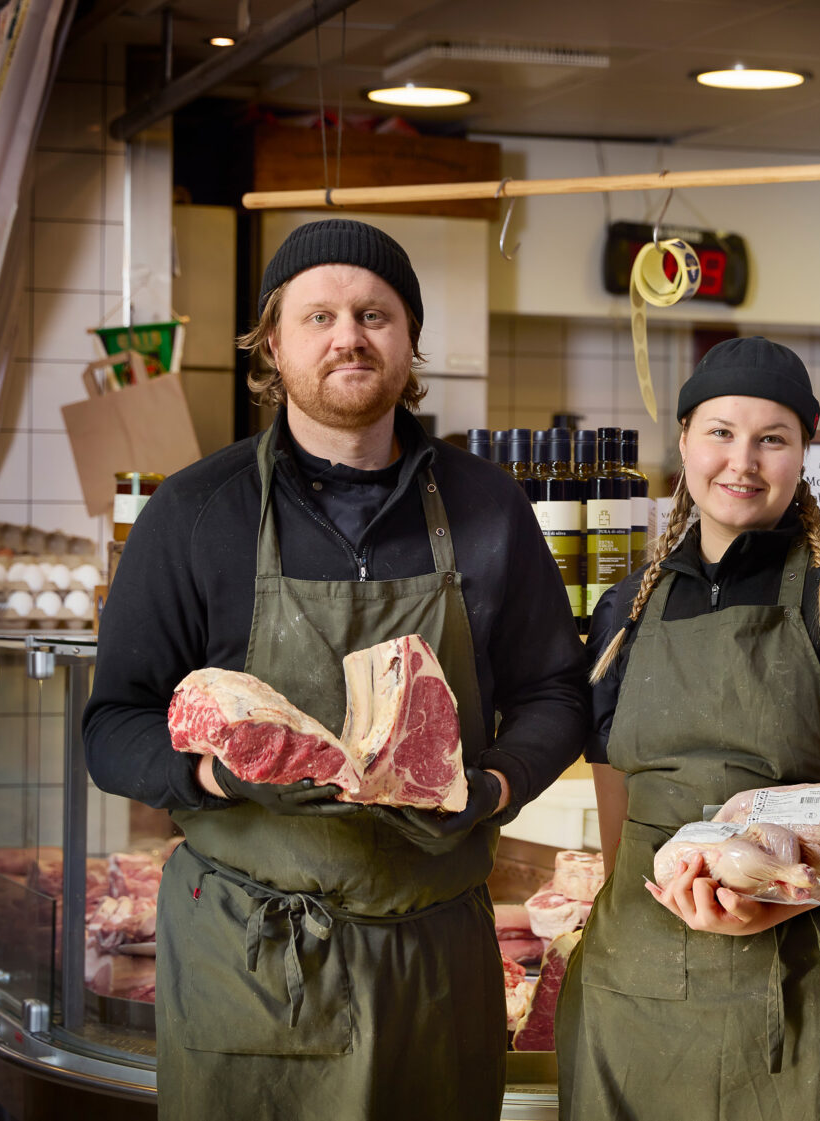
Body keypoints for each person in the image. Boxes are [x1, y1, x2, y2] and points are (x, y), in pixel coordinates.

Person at [82, 218, 588, 1120]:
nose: (348, 336)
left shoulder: (487, 506)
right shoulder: (196, 511)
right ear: (273, 344)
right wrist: (215, 774)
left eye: (373, 315)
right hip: (255, 957)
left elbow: (554, 690)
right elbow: (114, 723)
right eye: (318, 316)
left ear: (409, 339)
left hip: (437, 961)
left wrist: (496, 786)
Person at [555, 336, 820, 1119]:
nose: (742, 461)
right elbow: (622, 826)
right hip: (638, 996)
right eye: (721, 432)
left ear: (804, 452)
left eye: (772, 438)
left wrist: (774, 899)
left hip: (818, 991)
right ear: (684, 441)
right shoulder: (624, 610)